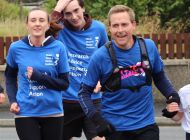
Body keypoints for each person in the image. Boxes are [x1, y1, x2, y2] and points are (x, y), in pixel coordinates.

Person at [78, 5, 180, 140]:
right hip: (115, 129)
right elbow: (83, 93)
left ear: (133, 25)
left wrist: (172, 96)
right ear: (110, 28)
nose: (120, 30)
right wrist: (97, 119)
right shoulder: (100, 56)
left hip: (146, 126)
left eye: (124, 24)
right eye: (115, 26)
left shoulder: (148, 47)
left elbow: (159, 77)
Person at [5, 8, 70, 140]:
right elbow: (10, 77)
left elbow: (64, 84)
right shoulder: (16, 48)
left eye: (41, 20)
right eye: (33, 20)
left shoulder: (59, 48)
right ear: (27, 24)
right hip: (26, 112)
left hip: (53, 112)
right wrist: (12, 101)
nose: (37, 24)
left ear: (47, 25)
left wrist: (39, 77)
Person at [47, 0, 109, 140]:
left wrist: (102, 79)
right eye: (68, 13)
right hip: (65, 100)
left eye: (76, 11)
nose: (74, 16)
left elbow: (107, 58)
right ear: (63, 16)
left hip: (92, 98)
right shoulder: (58, 29)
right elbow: (40, 29)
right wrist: (57, 8)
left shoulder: (99, 28)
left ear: (83, 8)